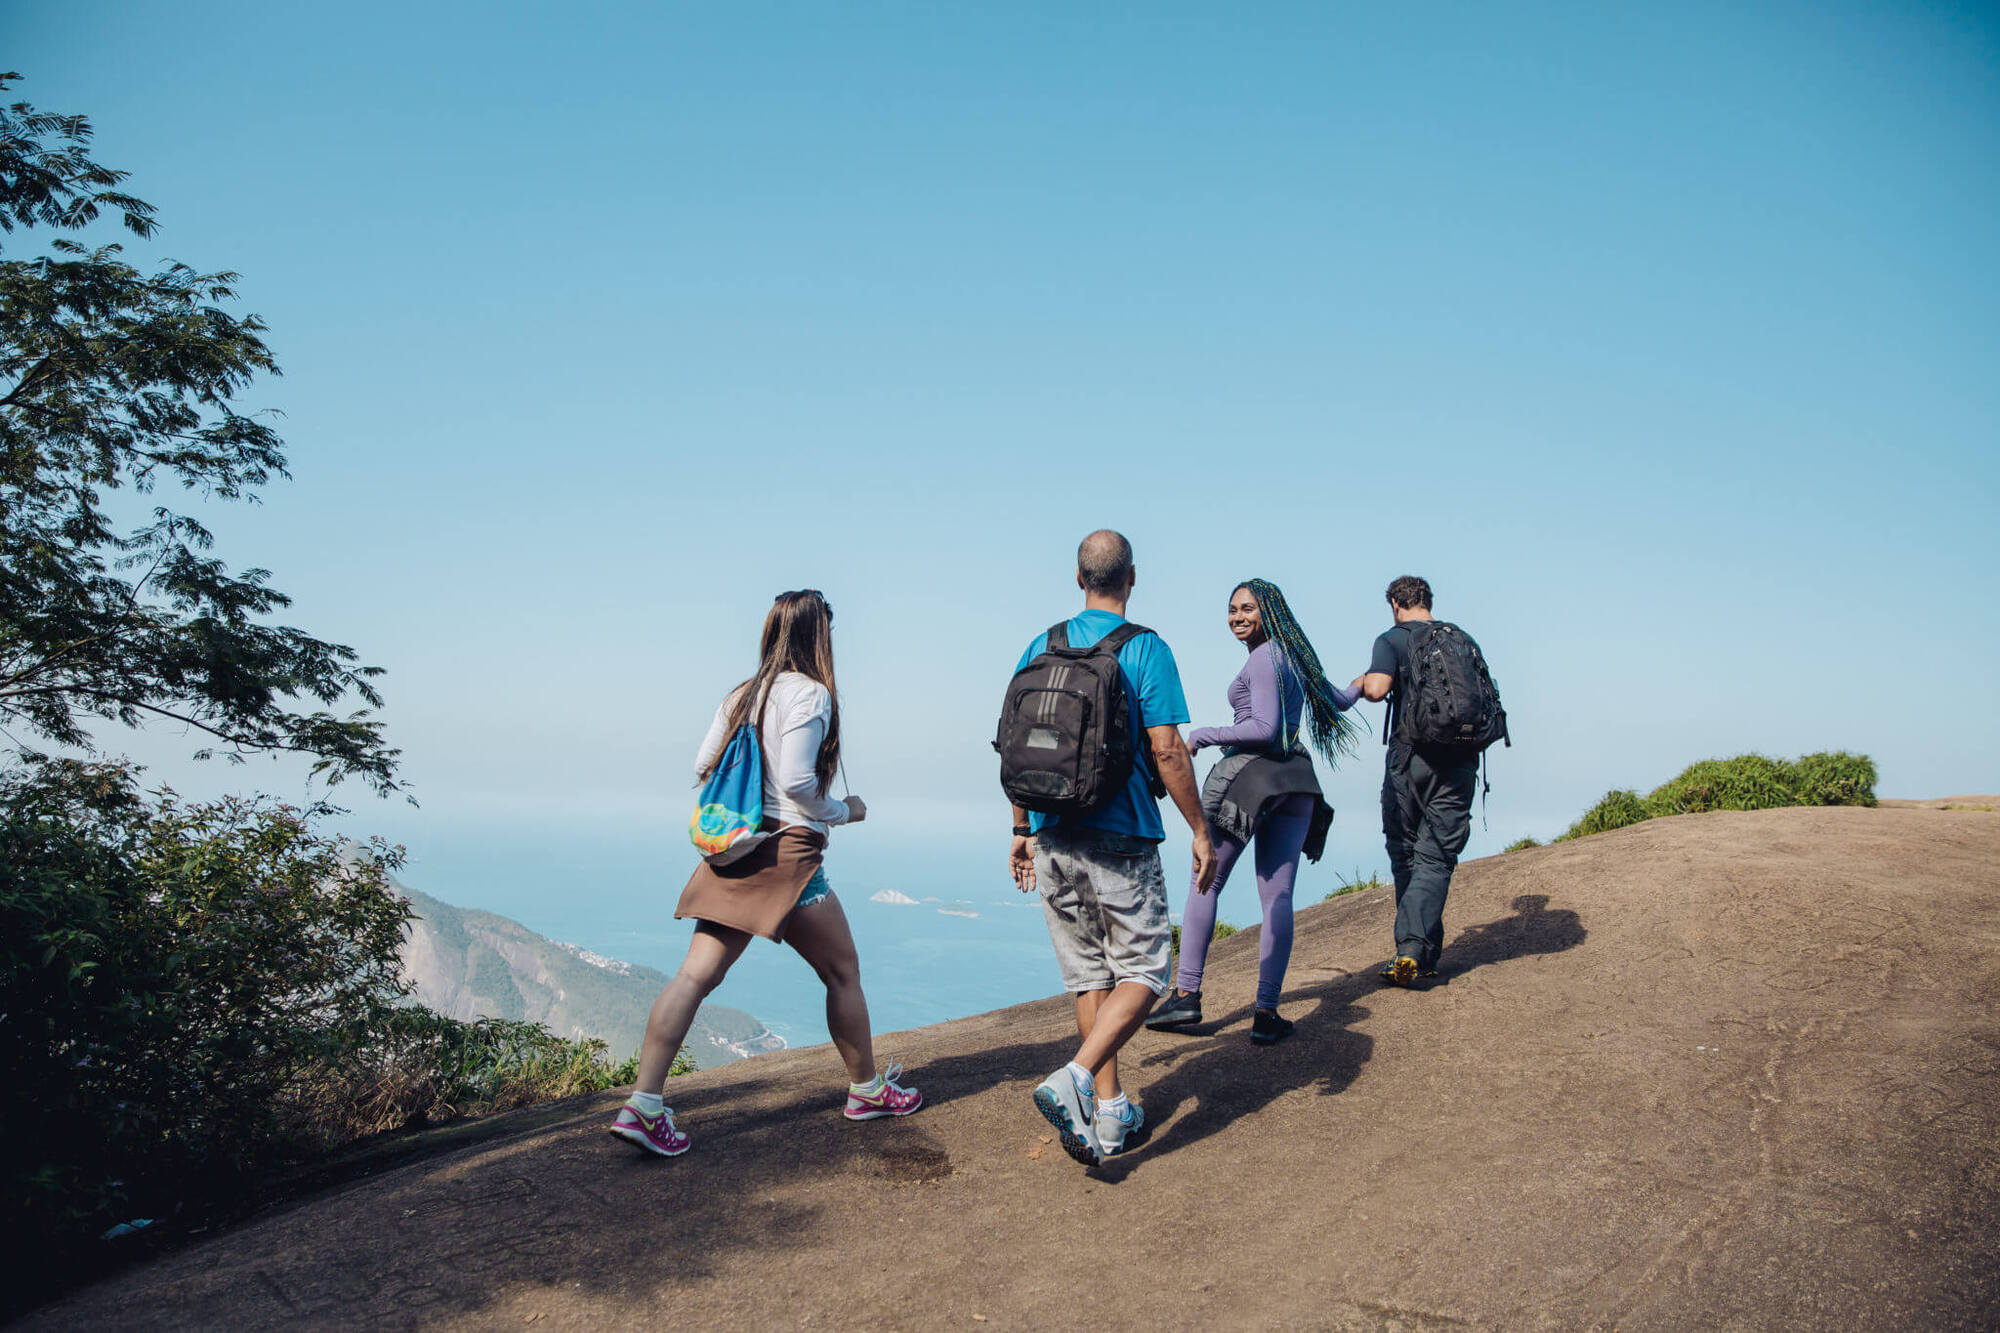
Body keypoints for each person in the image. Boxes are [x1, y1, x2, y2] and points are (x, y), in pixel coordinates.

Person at [610, 589, 921, 1157]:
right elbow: (801, 782)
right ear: (817, 635)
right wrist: (843, 811)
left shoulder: (741, 694)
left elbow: (703, 765)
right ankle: (867, 1092)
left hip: (735, 847)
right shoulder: (811, 695)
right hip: (786, 853)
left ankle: (644, 1104)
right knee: (843, 971)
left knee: (693, 977)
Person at [1007, 530, 1216, 1167]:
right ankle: (1074, 1077)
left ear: (1078, 579)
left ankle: (1108, 1113)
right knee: (1148, 971)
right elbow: (1168, 749)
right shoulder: (1145, 649)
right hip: (1121, 833)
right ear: (1132, 579)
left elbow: (1022, 744)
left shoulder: (1041, 644)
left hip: (1052, 834)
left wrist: (1021, 830)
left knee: (1091, 975)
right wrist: (1200, 830)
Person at [1146, 579, 1361, 1043]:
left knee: (1207, 878)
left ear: (1269, 612)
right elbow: (1338, 701)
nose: (1238, 617)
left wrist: (1203, 734)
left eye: (1248, 609)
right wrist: (1363, 684)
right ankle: (1266, 1013)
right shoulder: (1296, 656)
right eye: (1232, 609)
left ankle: (1186, 996)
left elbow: (1263, 730)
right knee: (1277, 897)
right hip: (1297, 783)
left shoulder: (1265, 659)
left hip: (1250, 781)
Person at [1351, 575, 1482, 987]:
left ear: (1394, 602)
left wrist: (1357, 682)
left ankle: (1409, 949)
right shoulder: (1461, 639)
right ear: (1429, 600)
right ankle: (1423, 954)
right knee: (1438, 856)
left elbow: (1376, 690)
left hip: (1411, 760)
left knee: (1407, 852)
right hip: (1460, 759)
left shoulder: (1392, 640)